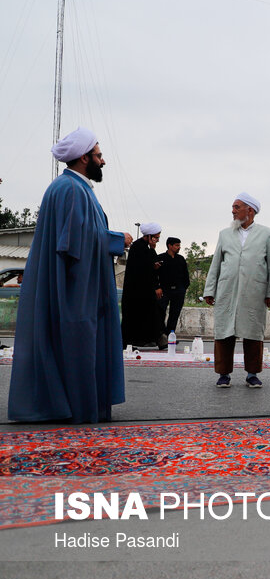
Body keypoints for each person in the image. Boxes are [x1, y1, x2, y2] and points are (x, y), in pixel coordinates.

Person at [7, 127, 133, 423]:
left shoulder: (73, 188)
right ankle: (76, 408)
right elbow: (75, 242)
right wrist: (117, 239)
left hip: (74, 284)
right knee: (78, 345)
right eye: (99, 156)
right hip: (75, 289)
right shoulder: (71, 190)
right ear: (84, 157)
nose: (103, 161)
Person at [203, 192, 270, 388]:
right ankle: (223, 374)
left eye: (237, 207)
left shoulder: (267, 233)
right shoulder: (224, 234)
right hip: (227, 291)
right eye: (233, 207)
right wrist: (209, 290)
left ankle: (252, 374)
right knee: (224, 333)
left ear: (250, 210)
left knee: (253, 333)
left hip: (255, 292)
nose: (233, 211)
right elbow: (216, 264)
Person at [121, 222, 166, 349]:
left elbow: (151, 262)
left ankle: (154, 339)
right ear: (149, 236)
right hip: (136, 290)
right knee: (132, 317)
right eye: (156, 237)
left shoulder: (147, 247)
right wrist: (153, 266)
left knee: (152, 314)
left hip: (144, 290)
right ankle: (127, 343)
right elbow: (141, 268)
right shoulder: (138, 247)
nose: (157, 240)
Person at [156, 236, 190, 335]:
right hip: (164, 291)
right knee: (160, 313)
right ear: (169, 246)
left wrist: (183, 288)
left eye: (179, 245)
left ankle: (170, 335)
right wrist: (157, 287)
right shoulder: (160, 258)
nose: (179, 247)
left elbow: (185, 275)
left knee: (174, 314)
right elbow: (154, 274)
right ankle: (160, 336)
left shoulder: (181, 259)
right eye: (176, 245)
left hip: (178, 291)